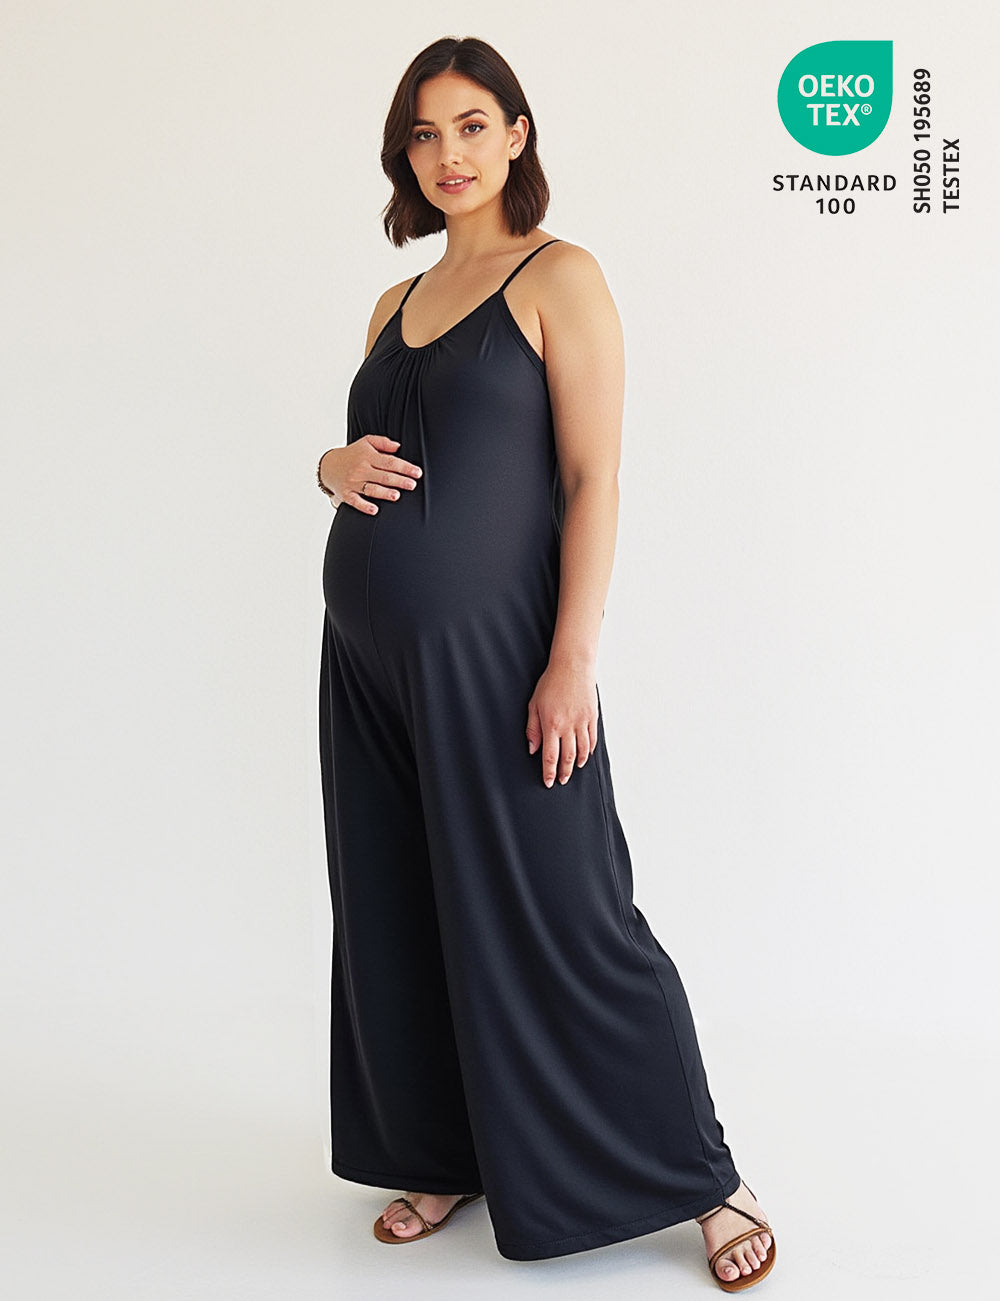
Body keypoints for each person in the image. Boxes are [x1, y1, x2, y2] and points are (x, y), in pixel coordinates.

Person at [316, 35, 776, 1292]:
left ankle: (703, 1175)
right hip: (365, 661)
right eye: (424, 134)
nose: (448, 154)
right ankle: (441, 1149)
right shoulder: (391, 304)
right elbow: (370, 457)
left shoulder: (559, 276)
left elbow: (592, 477)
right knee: (400, 899)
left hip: (501, 660)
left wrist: (571, 659)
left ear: (516, 134)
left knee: (571, 911)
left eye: (471, 125)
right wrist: (325, 465)